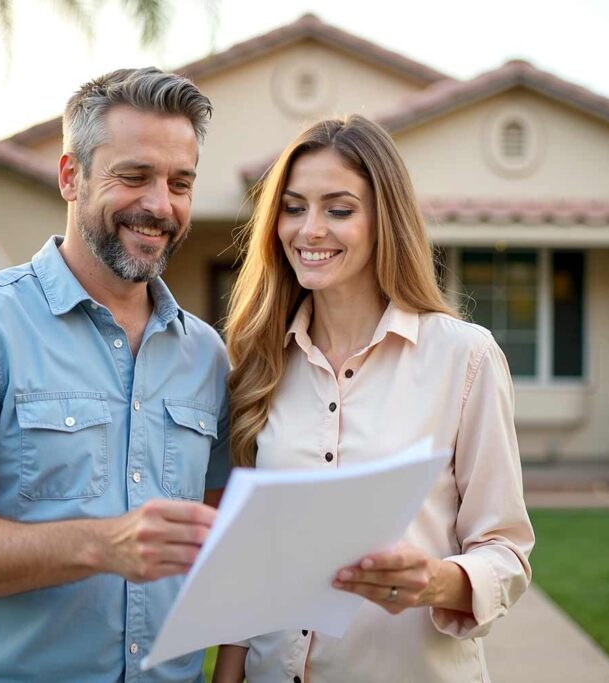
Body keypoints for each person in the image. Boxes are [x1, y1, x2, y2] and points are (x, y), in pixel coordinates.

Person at [0, 67, 231, 683]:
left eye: (180, 183)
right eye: (134, 176)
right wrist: (101, 545)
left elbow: (223, 543)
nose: (159, 204)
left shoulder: (208, 355)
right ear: (72, 176)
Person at [214, 115, 535, 682]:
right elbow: (249, 562)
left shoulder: (466, 358)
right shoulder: (257, 363)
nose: (310, 230)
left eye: (339, 209)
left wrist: (435, 581)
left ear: (384, 220)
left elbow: (505, 553)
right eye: (293, 208)